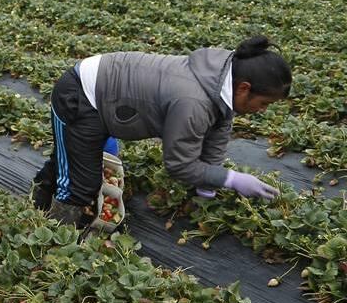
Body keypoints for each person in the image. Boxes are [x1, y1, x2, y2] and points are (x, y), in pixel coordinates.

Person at [32, 36, 292, 227]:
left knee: (78, 158)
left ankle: (42, 196)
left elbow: (218, 130)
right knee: (81, 185)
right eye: (264, 103)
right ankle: (55, 235)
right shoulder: (193, 102)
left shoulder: (224, 79)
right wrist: (231, 179)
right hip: (81, 95)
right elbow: (179, 165)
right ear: (244, 89)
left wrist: (208, 184)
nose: (263, 110)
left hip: (109, 98)